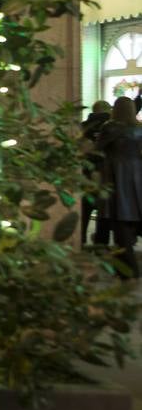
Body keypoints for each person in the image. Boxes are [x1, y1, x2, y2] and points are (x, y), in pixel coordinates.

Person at [96, 96, 142, 278]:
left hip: (116, 175)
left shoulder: (110, 127)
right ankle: (127, 268)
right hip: (138, 175)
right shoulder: (139, 129)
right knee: (133, 218)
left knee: (120, 221)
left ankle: (128, 270)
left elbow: (98, 149)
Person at [82, 100, 112, 246]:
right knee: (104, 210)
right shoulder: (111, 127)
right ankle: (101, 242)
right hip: (107, 173)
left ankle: (81, 240)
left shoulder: (83, 126)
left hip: (87, 172)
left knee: (85, 208)